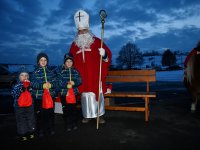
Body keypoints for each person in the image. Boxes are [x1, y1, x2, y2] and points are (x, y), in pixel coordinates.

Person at [69, 9, 112, 124]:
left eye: (84, 30)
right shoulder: (74, 45)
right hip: (82, 76)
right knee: (85, 96)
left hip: (94, 75)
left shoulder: (97, 41)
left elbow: (108, 56)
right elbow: (70, 60)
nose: (82, 33)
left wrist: (104, 54)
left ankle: (99, 115)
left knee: (96, 94)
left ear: (88, 29)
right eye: (80, 31)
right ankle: (86, 115)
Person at [31, 52, 57, 137]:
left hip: (50, 96)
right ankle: (40, 129)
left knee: (50, 113)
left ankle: (51, 128)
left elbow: (55, 83)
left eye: (45, 60)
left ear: (47, 61)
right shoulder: (35, 73)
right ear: (38, 62)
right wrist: (42, 85)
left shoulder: (51, 72)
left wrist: (51, 85)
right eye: (41, 60)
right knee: (41, 114)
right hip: (39, 97)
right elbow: (33, 84)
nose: (43, 61)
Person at [57, 53, 82, 132]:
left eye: (70, 61)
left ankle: (74, 123)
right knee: (66, 110)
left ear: (73, 62)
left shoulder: (75, 72)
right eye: (67, 61)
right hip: (64, 94)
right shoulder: (61, 72)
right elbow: (59, 82)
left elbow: (79, 80)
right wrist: (66, 85)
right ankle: (67, 124)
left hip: (73, 94)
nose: (69, 63)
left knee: (73, 109)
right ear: (64, 63)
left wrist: (74, 83)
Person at [11, 66, 35, 141]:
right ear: (19, 76)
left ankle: (31, 132)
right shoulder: (17, 85)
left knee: (30, 119)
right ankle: (23, 134)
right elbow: (13, 94)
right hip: (19, 106)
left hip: (29, 106)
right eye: (22, 75)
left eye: (26, 75)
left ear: (28, 76)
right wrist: (21, 90)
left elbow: (32, 95)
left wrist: (30, 89)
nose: (24, 77)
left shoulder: (30, 84)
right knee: (21, 120)